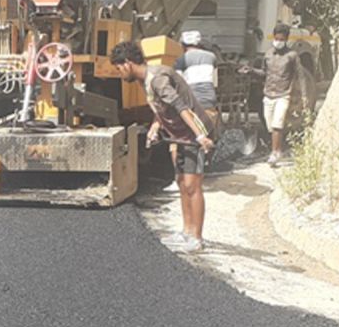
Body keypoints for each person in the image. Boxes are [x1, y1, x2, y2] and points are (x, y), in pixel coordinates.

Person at [110, 40, 215, 252]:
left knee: (192, 185)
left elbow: (181, 107)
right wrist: (154, 128)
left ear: (128, 63)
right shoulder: (146, 81)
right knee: (181, 183)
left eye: (119, 67)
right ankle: (186, 232)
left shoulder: (157, 79)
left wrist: (200, 135)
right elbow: (161, 109)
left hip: (193, 134)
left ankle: (197, 238)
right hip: (181, 136)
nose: (120, 73)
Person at [168, 30, 222, 191]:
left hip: (190, 104)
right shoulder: (212, 57)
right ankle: (198, 177)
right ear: (198, 43)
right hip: (208, 103)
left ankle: (178, 180)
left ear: (183, 45)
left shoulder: (181, 60)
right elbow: (215, 83)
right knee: (202, 140)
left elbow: (178, 86)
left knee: (176, 142)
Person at [241, 23, 301, 166]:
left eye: (281, 39)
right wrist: (251, 71)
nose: (278, 41)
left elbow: (300, 76)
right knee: (270, 125)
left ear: (286, 39)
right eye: (276, 38)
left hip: (284, 94)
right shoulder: (268, 54)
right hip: (268, 94)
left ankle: (275, 152)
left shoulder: (292, 56)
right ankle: (277, 147)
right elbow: (264, 73)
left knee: (277, 124)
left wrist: (302, 95)